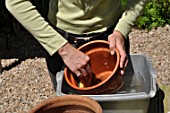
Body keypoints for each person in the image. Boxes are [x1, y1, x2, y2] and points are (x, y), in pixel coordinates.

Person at [5, 0, 148, 90]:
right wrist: (62, 48)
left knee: (115, 105)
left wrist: (121, 30)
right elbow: (15, 2)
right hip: (61, 42)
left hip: (111, 38)